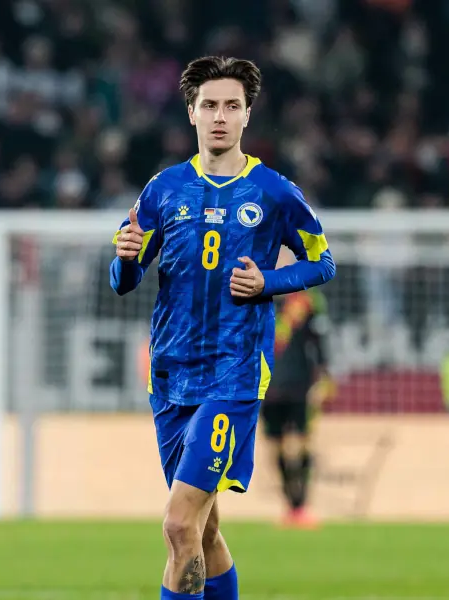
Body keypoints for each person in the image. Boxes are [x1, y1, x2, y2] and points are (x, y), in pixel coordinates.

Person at [110, 56, 336, 600]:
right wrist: (125, 257)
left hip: (233, 376)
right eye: (209, 105)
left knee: (178, 525)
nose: (219, 116)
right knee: (205, 530)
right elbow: (125, 278)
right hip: (170, 376)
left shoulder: (274, 191)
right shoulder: (164, 190)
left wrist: (269, 283)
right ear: (191, 112)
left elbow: (323, 261)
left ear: (247, 115)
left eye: (231, 106)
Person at [262, 249, 334, 528]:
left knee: (303, 442)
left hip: (300, 383)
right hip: (267, 385)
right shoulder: (255, 297)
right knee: (275, 445)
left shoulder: (306, 300)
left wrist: (324, 378)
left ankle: (302, 504)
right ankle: (290, 505)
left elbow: (320, 342)